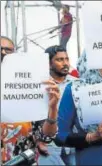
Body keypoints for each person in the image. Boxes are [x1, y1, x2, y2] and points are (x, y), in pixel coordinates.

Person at [0, 36, 60, 164]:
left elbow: (47, 136)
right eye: (0, 49)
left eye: (8, 50)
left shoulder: (30, 86)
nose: (3, 52)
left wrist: (52, 108)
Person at [36, 45, 77, 165]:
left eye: (67, 59)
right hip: (49, 143)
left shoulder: (78, 83)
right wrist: (38, 140)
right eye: (59, 60)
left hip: (72, 140)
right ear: (48, 64)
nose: (65, 63)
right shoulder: (40, 85)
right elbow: (34, 116)